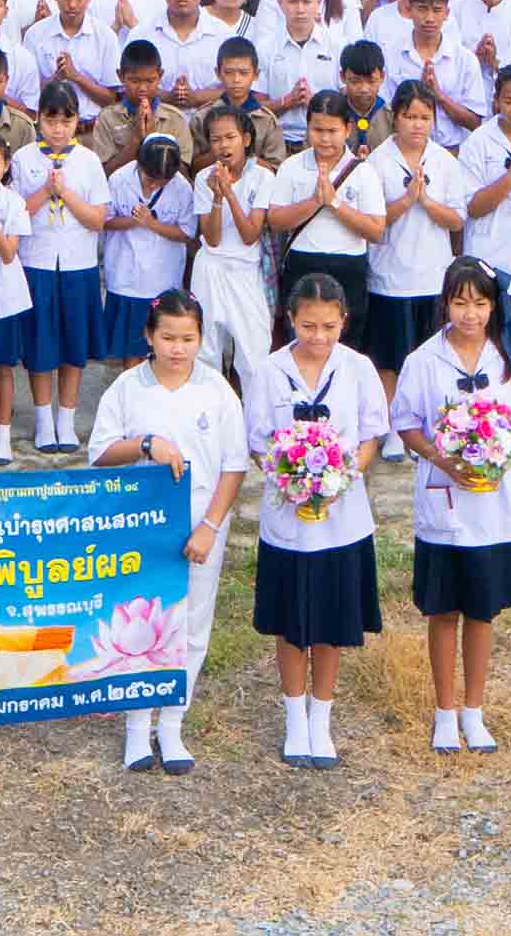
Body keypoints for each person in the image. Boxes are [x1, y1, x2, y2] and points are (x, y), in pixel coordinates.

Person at [86, 287, 248, 774]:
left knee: (192, 626)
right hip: (141, 526)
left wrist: (210, 526)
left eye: (188, 339)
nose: (178, 349)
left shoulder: (216, 390)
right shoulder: (127, 388)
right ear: (148, 337)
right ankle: (137, 728)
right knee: (140, 623)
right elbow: (100, 452)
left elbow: (233, 465)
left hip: (200, 525)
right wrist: (145, 444)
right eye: (168, 338)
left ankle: (172, 724)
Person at [242, 273, 392, 766]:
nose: (319, 337)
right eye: (308, 326)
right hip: (287, 518)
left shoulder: (358, 368)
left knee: (330, 620)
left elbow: (371, 436)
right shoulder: (269, 371)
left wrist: (339, 480)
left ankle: (320, 719)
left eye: (329, 327)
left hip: (341, 517)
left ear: (344, 321)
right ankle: (293, 718)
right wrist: (290, 481)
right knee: (290, 622)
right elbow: (258, 442)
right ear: (290, 319)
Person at [393, 262, 511, 756]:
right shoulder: (423, 361)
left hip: (494, 505)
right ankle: (444, 713)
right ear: (445, 304)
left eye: (479, 303)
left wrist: (502, 456)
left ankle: (474, 711)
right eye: (460, 303)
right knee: (443, 611)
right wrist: (442, 457)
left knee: (482, 611)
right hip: (445, 501)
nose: (470, 314)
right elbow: (407, 423)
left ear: (494, 306)